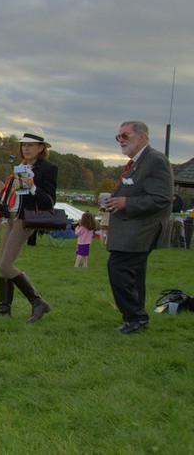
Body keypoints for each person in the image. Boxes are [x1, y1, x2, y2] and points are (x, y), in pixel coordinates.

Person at [103, 121, 173, 334]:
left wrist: (126, 203)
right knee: (134, 273)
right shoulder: (137, 162)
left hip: (142, 230)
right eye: (118, 137)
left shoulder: (155, 160)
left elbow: (162, 198)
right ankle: (137, 317)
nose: (121, 141)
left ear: (142, 136)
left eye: (125, 136)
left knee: (118, 268)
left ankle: (134, 316)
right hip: (133, 229)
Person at [0, 128, 57, 322]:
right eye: (24, 145)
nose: (26, 148)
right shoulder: (19, 167)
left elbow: (49, 202)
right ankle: (4, 308)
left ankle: (38, 302)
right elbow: (6, 195)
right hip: (12, 217)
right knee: (1, 265)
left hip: (26, 218)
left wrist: (32, 186)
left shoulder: (47, 169)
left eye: (30, 145)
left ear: (41, 148)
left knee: (6, 264)